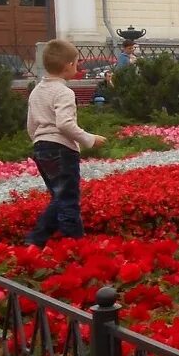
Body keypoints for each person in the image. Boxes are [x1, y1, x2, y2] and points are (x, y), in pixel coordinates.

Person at [24, 39, 106, 246]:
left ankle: (39, 241)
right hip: (62, 150)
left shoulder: (37, 91)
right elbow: (64, 124)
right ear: (69, 65)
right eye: (77, 64)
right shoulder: (64, 92)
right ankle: (72, 245)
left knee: (59, 197)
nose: (77, 67)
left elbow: (31, 124)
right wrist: (90, 139)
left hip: (41, 148)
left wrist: (39, 140)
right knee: (68, 199)